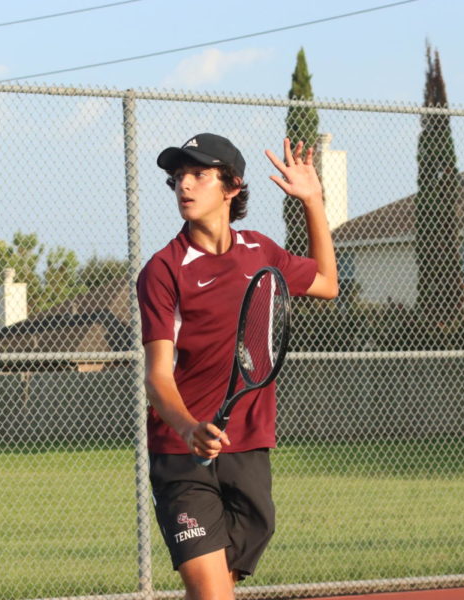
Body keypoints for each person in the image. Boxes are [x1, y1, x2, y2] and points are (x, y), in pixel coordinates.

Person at [136, 133, 338, 598]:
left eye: (198, 174)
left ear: (231, 187)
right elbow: (158, 376)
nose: (183, 185)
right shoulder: (164, 270)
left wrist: (313, 200)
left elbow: (327, 283)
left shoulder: (260, 252)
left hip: (249, 447)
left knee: (215, 588)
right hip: (181, 454)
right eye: (177, 177)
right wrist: (189, 429)